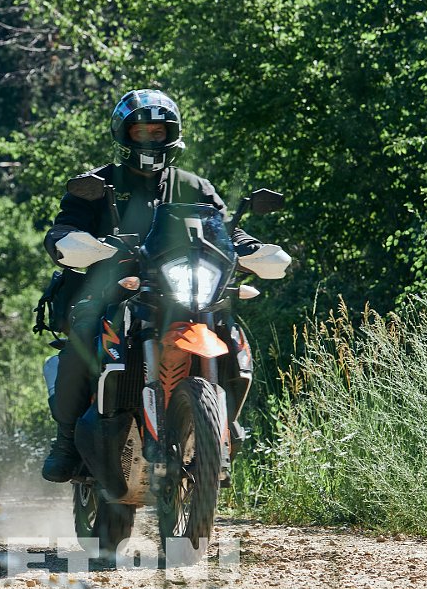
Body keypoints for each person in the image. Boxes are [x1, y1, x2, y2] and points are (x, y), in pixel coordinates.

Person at [40, 88, 292, 482]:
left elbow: (226, 231)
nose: (151, 139)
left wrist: (251, 249)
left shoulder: (194, 185)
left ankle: (223, 425)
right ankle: (67, 439)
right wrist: (69, 241)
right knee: (86, 331)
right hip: (115, 287)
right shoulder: (99, 184)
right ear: (124, 135)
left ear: (172, 134)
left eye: (159, 131)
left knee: (231, 331)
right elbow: (66, 223)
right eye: (142, 132)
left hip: (184, 287)